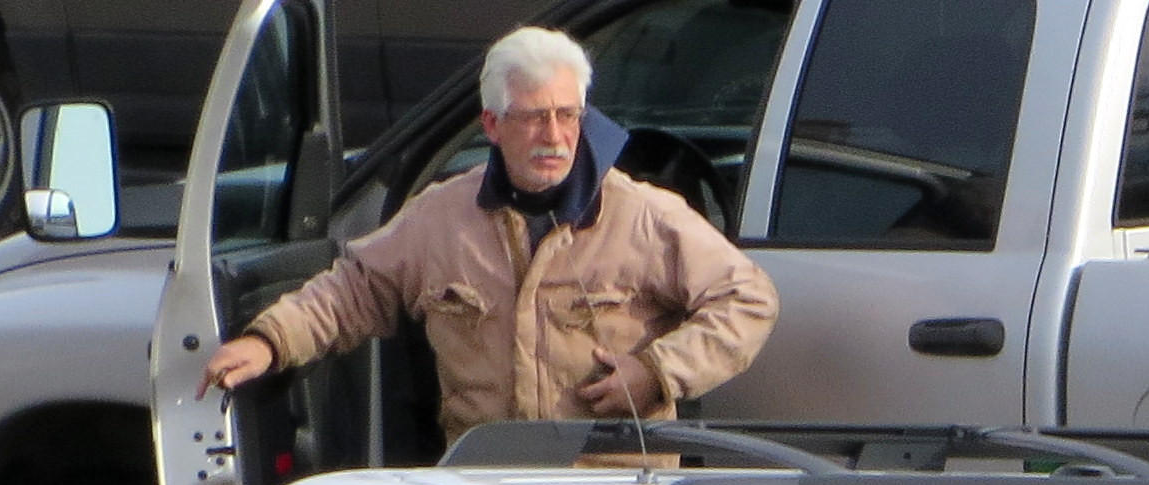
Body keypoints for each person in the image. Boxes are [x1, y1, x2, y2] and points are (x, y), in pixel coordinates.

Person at [198, 27, 776, 445]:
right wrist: (268, 342)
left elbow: (749, 301)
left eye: (567, 115)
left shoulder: (645, 216)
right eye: (534, 117)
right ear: (493, 125)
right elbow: (354, 291)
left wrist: (656, 372)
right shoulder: (440, 218)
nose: (554, 135)